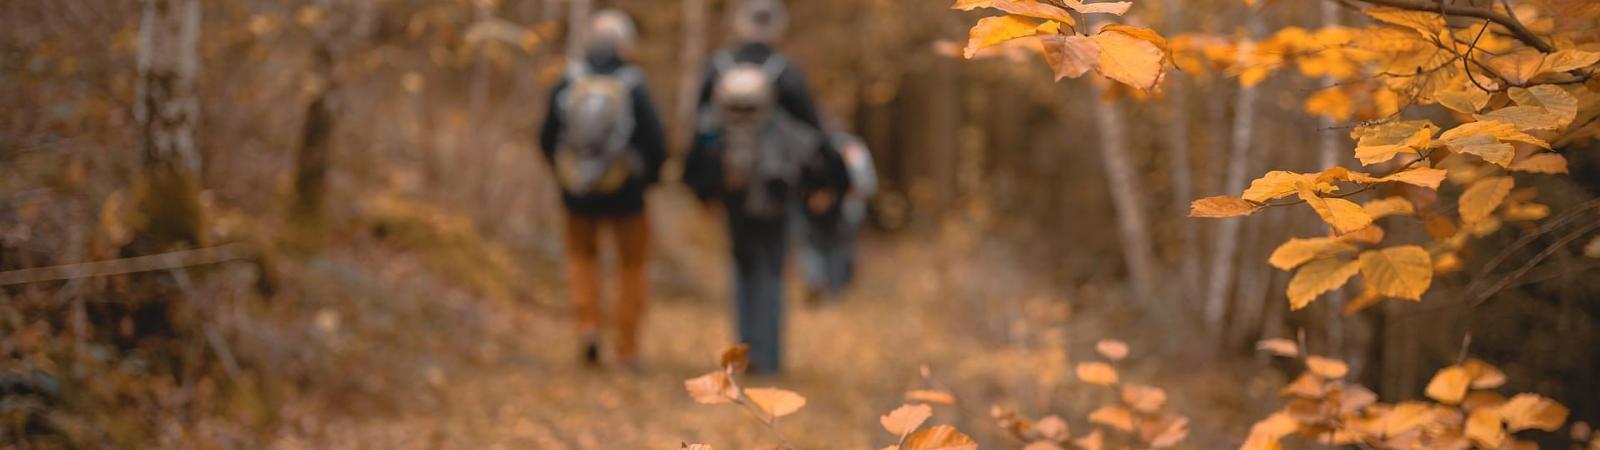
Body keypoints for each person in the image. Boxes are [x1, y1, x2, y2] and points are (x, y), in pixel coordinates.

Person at [682, 0, 847, 374]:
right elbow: (816, 133)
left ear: (740, 25)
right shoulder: (786, 72)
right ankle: (769, 358)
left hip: (733, 187)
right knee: (771, 268)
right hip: (777, 188)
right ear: (777, 27)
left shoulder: (718, 68)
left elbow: (698, 131)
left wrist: (702, 190)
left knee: (741, 267)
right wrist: (828, 184)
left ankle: (742, 356)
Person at [538, 9, 666, 370]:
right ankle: (626, 348)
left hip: (577, 194)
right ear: (625, 45)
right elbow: (656, 142)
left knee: (582, 260)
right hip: (627, 195)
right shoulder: (633, 83)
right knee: (633, 266)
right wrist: (647, 179)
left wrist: (566, 174)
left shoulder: (569, 79)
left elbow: (546, 137)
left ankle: (588, 327)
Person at [796, 133, 876, 303]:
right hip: (823, 212)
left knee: (836, 248)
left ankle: (832, 286)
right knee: (820, 246)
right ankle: (823, 284)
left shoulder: (851, 150)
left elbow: (864, 185)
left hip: (845, 211)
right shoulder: (815, 147)